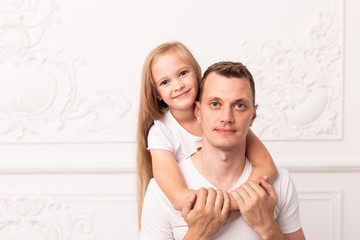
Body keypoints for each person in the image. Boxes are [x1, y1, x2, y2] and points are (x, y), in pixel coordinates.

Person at [140, 61, 306, 239]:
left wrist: (267, 227)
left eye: (239, 105)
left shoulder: (279, 182)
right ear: (198, 111)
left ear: (253, 115)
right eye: (215, 104)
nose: (226, 117)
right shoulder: (160, 191)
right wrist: (198, 234)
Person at [137, 42, 278, 226]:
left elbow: (267, 167)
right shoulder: (160, 133)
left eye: (183, 73)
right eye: (165, 82)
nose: (178, 85)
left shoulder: (221, 117)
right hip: (188, 220)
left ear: (196, 73)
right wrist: (236, 205)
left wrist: (239, 206)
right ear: (156, 93)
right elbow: (179, 197)